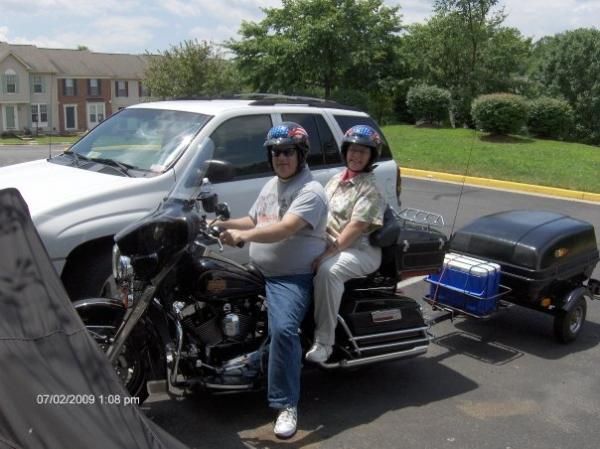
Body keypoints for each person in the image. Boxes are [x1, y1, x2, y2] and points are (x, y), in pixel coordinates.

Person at [218, 122, 328, 439]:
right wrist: (220, 223)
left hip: (290, 277)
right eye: (276, 152)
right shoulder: (272, 184)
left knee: (283, 331)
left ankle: (286, 404)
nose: (281, 158)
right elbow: (254, 219)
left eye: (287, 152)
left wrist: (244, 235)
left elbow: (284, 228)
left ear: (301, 154)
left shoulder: (311, 191)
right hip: (260, 270)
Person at [305, 124, 386, 363]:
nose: (356, 155)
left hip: (359, 250)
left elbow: (355, 228)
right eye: (352, 150)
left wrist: (326, 255)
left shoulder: (370, 188)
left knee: (329, 272)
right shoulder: (336, 179)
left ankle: (324, 343)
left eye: (363, 151)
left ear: (372, 156)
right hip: (331, 242)